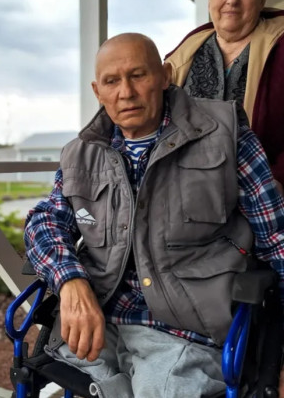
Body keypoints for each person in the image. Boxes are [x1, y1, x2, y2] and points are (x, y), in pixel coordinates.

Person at [24, 33, 284, 397]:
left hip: (186, 329)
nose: (126, 92)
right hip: (101, 317)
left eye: (138, 75)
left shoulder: (225, 133)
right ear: (98, 92)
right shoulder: (80, 153)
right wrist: (70, 282)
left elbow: (277, 238)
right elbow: (45, 221)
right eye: (111, 81)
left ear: (165, 76)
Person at [165, 0, 284, 189]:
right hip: (186, 195)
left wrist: (280, 180)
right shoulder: (181, 56)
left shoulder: (280, 48)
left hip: (261, 196)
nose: (232, 0)